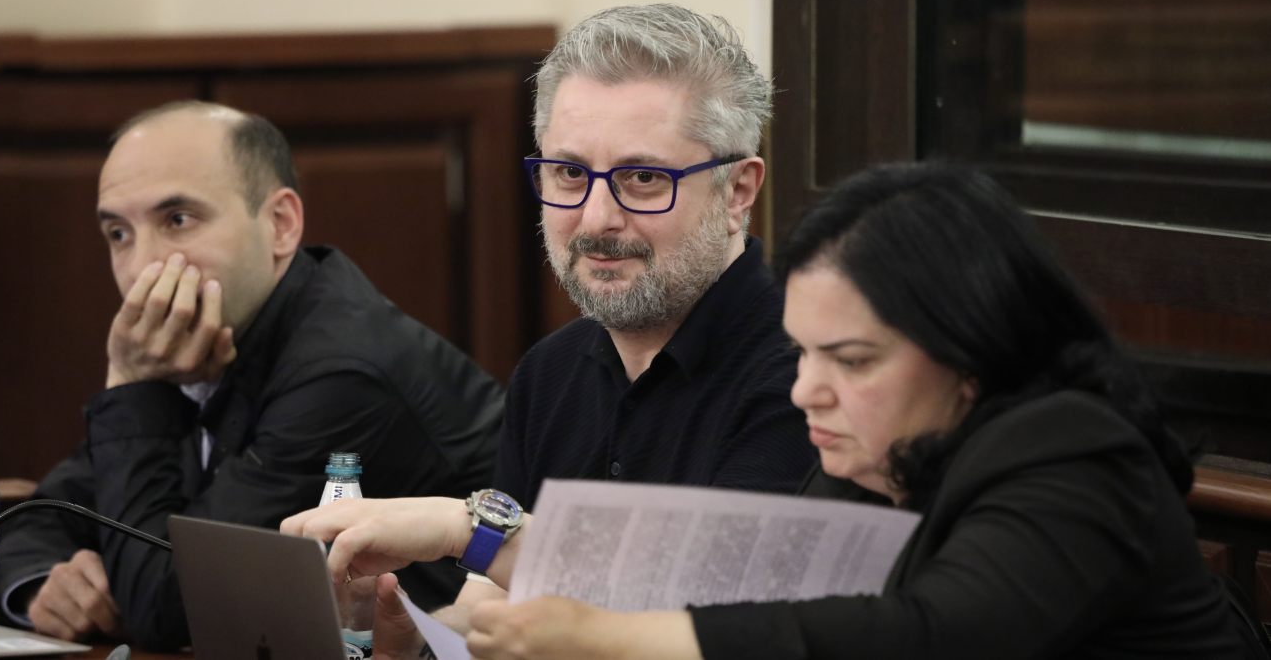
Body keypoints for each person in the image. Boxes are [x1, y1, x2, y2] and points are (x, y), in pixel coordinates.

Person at [284, 163, 1259, 659]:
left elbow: (926, 636)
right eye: (804, 353)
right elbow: (722, 581)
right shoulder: (885, 451)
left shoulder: (1072, 452)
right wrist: (469, 529)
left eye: (851, 359)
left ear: (972, 348)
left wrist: (606, 638)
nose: (806, 389)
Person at [0, 101, 505, 650]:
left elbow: (173, 608)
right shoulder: (204, 335)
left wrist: (131, 383)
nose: (141, 266)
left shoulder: (342, 371)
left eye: (177, 220)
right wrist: (42, 582)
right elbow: (47, 513)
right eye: (119, 233)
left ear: (280, 224)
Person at [404, 2, 821, 645]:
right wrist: (409, 640)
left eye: (644, 177)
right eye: (570, 173)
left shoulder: (807, 378)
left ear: (738, 191)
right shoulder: (548, 372)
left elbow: (705, 626)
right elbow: (489, 606)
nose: (596, 218)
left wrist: (465, 531)